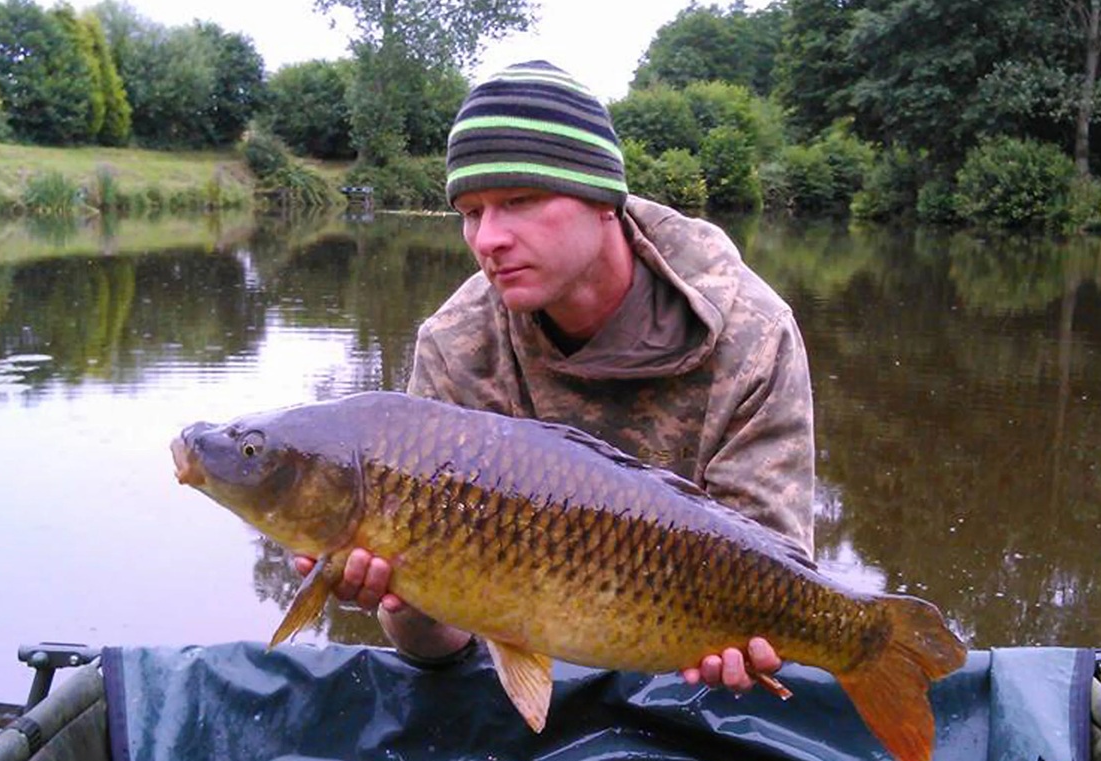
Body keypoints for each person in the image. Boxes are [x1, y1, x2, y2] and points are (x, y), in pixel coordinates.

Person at [298, 60, 815, 694]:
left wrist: (759, 648)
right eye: (470, 211)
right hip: (512, 672)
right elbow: (439, 652)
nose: (488, 238)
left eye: (519, 201)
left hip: (690, 671)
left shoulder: (754, 332)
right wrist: (407, 602)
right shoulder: (456, 345)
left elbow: (783, 579)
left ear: (602, 200)